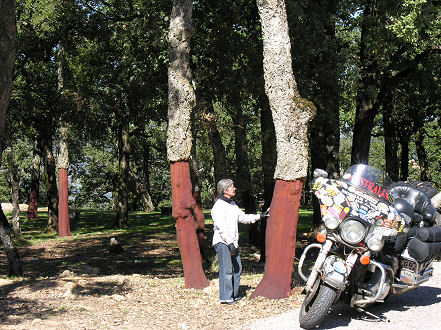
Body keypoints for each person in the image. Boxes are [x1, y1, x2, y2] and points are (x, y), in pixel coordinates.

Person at [211, 179, 269, 304]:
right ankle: (226, 298)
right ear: (224, 190)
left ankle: (234, 295)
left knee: (237, 268)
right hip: (223, 242)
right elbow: (221, 227)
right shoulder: (218, 206)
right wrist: (229, 243)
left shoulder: (232, 204)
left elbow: (243, 218)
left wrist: (260, 216)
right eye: (232, 187)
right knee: (226, 270)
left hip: (232, 242)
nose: (234, 188)